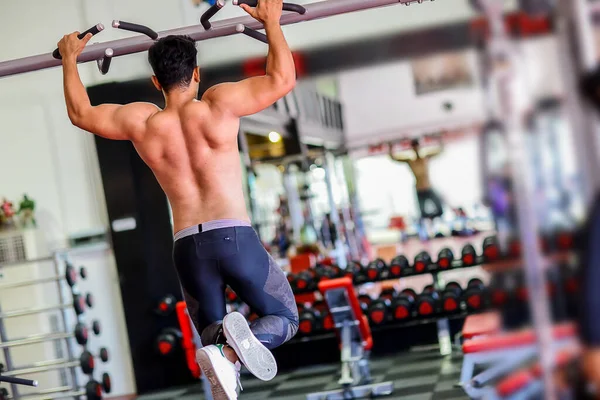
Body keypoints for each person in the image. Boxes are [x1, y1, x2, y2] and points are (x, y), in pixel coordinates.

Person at [57, 0, 298, 398]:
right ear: (197, 73)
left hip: (187, 246)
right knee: (284, 316)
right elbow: (281, 79)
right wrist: (271, 22)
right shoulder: (219, 104)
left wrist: (69, 59)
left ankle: (223, 355)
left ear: (155, 82)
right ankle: (231, 355)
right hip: (234, 237)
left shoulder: (143, 123)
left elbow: (81, 113)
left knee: (209, 331)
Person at [389, 138, 444, 240]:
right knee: (423, 214)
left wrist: (439, 139)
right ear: (412, 149)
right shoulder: (410, 161)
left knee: (440, 210)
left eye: (417, 147)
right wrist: (390, 147)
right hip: (419, 190)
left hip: (428, 187)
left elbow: (440, 151)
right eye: (414, 147)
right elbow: (394, 158)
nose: (416, 149)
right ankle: (427, 232)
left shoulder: (426, 158)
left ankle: (434, 226)